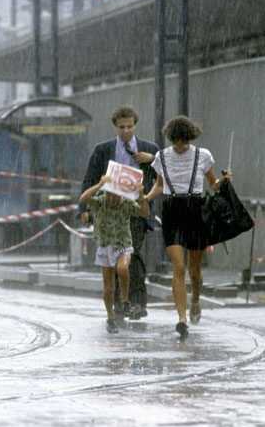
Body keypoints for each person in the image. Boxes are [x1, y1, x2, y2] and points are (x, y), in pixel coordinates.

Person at [146, 115, 231, 339]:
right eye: (176, 141)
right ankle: (182, 318)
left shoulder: (203, 155)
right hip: (172, 211)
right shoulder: (160, 157)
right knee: (179, 267)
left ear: (191, 138)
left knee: (194, 271)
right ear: (170, 139)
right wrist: (145, 197)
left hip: (195, 210)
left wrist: (222, 181)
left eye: (184, 141)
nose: (180, 146)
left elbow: (212, 183)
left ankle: (195, 299)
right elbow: (159, 185)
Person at [79, 105, 159, 320]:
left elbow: (163, 177)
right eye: (122, 127)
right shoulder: (103, 150)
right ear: (115, 127)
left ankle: (137, 302)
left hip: (136, 210)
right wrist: (84, 209)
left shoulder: (148, 148)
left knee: (134, 256)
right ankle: (116, 303)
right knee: (111, 257)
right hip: (110, 211)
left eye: (130, 126)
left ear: (135, 125)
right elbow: (90, 178)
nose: (126, 131)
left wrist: (152, 161)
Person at [80, 174, 150, 333]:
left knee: (123, 268)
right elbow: (84, 199)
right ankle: (110, 315)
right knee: (109, 288)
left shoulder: (126, 204)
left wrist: (141, 195)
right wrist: (99, 185)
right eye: (108, 194)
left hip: (123, 244)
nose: (111, 199)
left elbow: (145, 213)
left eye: (115, 195)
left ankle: (125, 299)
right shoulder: (100, 203)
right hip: (105, 245)